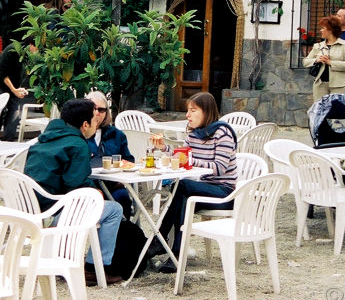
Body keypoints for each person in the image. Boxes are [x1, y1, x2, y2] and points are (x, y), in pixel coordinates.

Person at [23, 98, 124, 285]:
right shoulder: (78, 145)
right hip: (57, 207)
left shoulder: (43, 139)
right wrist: (97, 194)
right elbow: (76, 185)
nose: (97, 123)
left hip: (31, 203)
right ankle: (94, 268)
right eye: (94, 120)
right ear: (85, 125)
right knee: (114, 209)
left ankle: (62, 256)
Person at [149, 92, 237, 273]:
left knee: (181, 187)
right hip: (202, 190)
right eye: (187, 111)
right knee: (181, 197)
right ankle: (175, 254)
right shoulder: (193, 135)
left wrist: (190, 161)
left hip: (224, 192)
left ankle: (160, 241)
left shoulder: (223, 133)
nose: (187, 115)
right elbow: (183, 157)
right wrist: (164, 149)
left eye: (193, 111)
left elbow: (219, 168)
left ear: (206, 112)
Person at [86, 91, 134, 218]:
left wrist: (123, 167)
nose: (96, 113)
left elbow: (129, 160)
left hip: (113, 185)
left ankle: (123, 234)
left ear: (106, 113)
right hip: (88, 186)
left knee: (122, 196)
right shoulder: (79, 134)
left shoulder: (117, 135)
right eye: (92, 109)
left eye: (101, 110)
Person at [0, 41, 34, 141]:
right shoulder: (12, 50)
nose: (37, 52)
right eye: (37, 48)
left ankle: (8, 141)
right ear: (31, 45)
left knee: (14, 111)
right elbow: (1, 71)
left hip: (14, 85)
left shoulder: (28, 55)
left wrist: (20, 88)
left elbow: (21, 73)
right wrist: (14, 89)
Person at [302, 16, 345, 101]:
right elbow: (305, 62)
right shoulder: (318, 46)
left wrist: (330, 62)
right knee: (321, 112)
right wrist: (317, 60)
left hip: (339, 85)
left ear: (331, 30)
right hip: (320, 85)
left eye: (323, 28)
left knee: (338, 112)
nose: (320, 30)